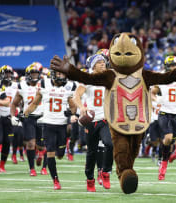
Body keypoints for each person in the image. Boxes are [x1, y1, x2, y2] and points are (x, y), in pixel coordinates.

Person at [24, 69, 77, 190]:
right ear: (53, 74)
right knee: (50, 152)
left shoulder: (68, 88)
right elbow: (34, 103)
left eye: (62, 73)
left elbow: (73, 106)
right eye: (59, 73)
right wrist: (24, 113)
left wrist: (71, 112)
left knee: (60, 155)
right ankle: (55, 180)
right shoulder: (44, 85)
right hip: (48, 124)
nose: (61, 75)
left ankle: (61, 151)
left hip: (62, 125)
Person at [73, 54, 113, 192]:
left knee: (109, 144)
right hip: (91, 120)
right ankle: (90, 179)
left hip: (104, 119)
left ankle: (106, 172)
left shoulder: (108, 77)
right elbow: (76, 96)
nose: (103, 64)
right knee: (91, 152)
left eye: (104, 62)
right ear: (93, 65)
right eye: (100, 62)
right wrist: (82, 107)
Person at [11, 63, 46, 176]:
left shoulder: (44, 84)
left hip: (42, 116)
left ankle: (42, 158)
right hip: (28, 117)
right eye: (33, 74)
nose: (35, 76)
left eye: (36, 73)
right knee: (30, 143)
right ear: (28, 75)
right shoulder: (22, 86)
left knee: (42, 145)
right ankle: (32, 168)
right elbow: (14, 103)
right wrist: (12, 116)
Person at [0, 65, 18, 173]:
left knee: (7, 142)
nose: (8, 75)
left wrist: (18, 109)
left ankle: (1, 165)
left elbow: (20, 100)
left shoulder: (16, 86)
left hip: (9, 117)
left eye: (10, 73)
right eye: (6, 73)